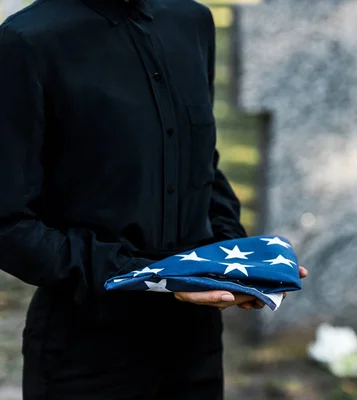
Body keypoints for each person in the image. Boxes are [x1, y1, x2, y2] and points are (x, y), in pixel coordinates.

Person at [0, 0, 308, 398]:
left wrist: (235, 263)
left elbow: (201, 169)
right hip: (86, 351)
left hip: (195, 345)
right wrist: (149, 278)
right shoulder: (27, 41)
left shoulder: (193, 21)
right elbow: (7, 223)